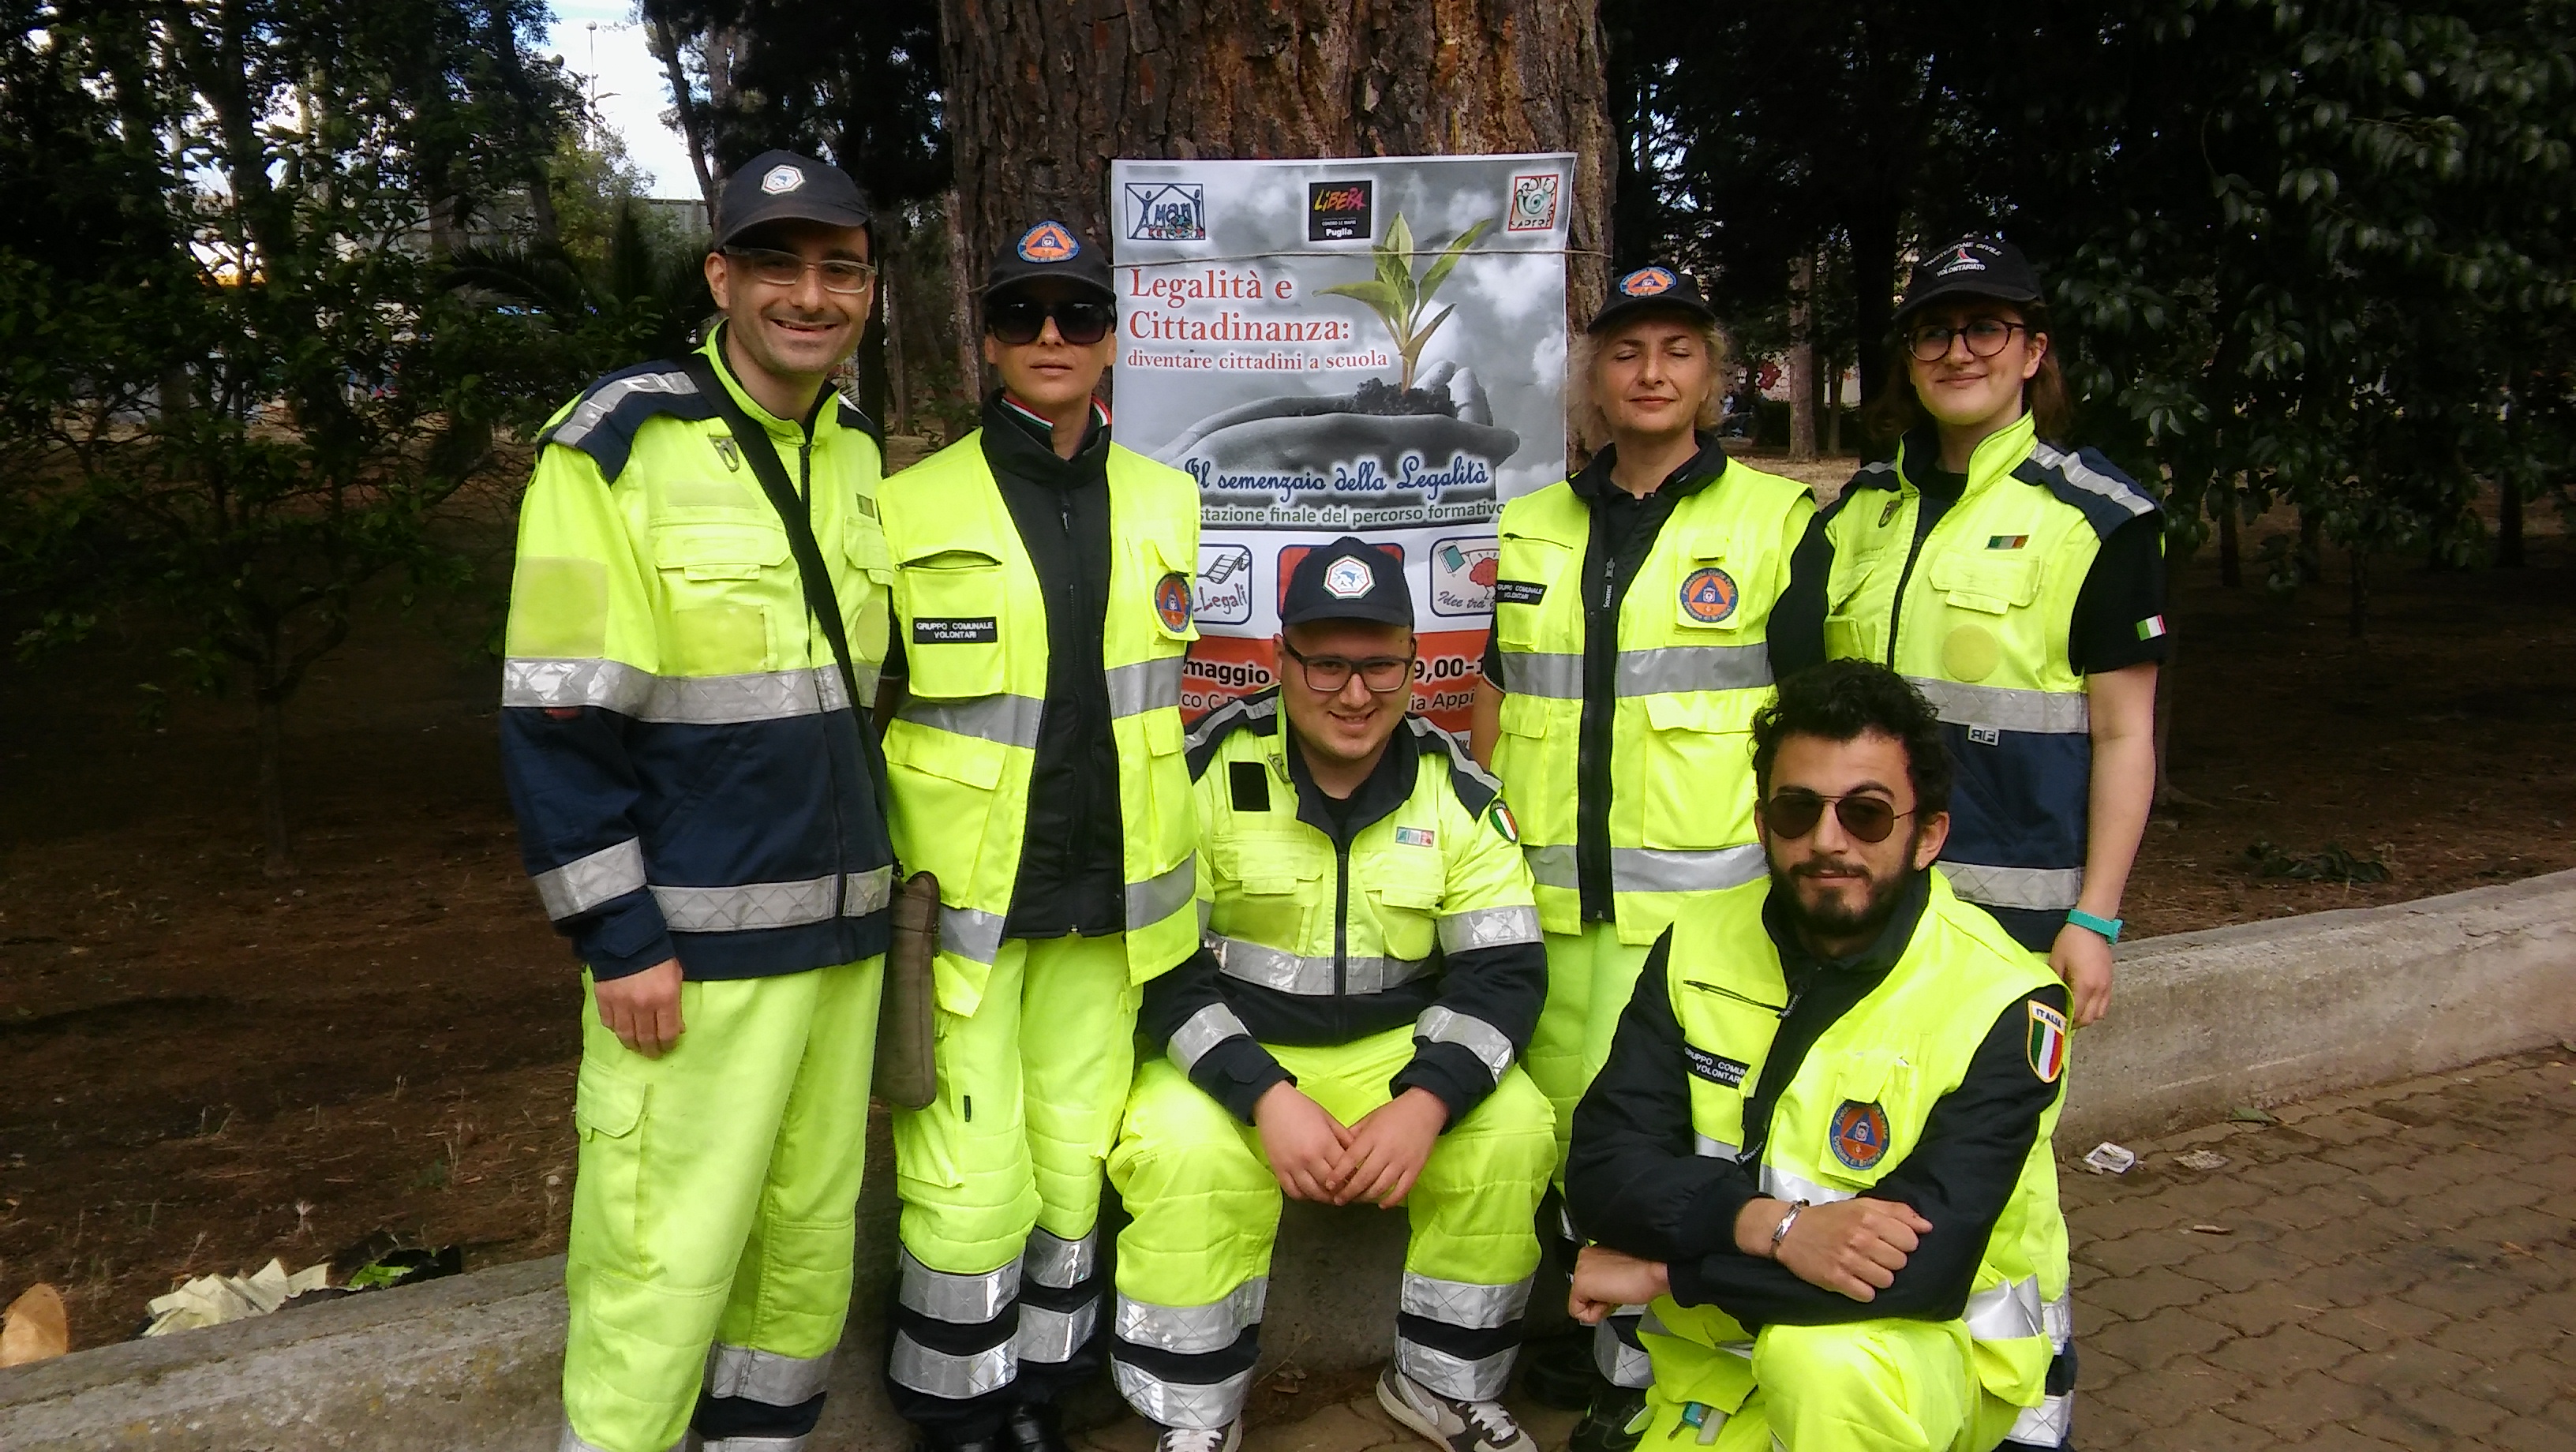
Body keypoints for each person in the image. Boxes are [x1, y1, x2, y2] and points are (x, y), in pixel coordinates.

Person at [500, 149, 894, 1452]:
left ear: (868, 291)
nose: (809, 296)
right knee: (660, 1261)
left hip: (838, 947)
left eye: (838, 270)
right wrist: (620, 938)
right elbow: (556, 714)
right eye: (775, 265)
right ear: (719, 276)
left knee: (797, 1254)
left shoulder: (849, 447)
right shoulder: (618, 442)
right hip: (693, 956)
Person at [1466, 264, 1824, 1448]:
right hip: (1549, 911)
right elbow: (1495, 698)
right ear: (1595, 382)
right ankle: (1583, 1339)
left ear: (1712, 378)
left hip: (1700, 925)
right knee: (1569, 1132)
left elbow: (1810, 730)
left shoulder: (1774, 527)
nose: (1651, 373)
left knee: (1674, 1145)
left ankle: (1651, 1368)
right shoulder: (1531, 527)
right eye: (1626, 354)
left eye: (1677, 351)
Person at [1109, 539, 1556, 1452]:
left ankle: (1440, 1384)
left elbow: (1504, 970)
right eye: (1327, 665)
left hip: (1398, 1058)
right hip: (1235, 1055)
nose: (1356, 694)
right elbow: (1158, 963)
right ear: (1282, 660)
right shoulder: (1203, 769)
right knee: (1177, 1148)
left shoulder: (1460, 791)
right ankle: (1195, 1416)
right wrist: (1265, 1098)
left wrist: (1428, 1101)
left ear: (1415, 663)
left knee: (1516, 1128)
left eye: (1380, 665)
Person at [1564, 660, 2076, 1451]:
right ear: (1765, 823)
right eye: (1798, 810)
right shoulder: (1696, 944)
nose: (1827, 840)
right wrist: (1769, 1225)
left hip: (1928, 1366)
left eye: (1867, 814)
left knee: (1825, 1362)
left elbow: (1922, 1269)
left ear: (1928, 833)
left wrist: (1671, 1275)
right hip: (1725, 1368)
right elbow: (1603, 1170)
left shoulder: (2007, 1000)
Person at [874, 220, 1203, 1452]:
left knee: (1074, 1170)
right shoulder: (908, 508)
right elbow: (869, 711)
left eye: (1077, 317)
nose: (1052, 339)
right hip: (967, 915)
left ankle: (1043, 1388)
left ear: (1114, 337)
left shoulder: (1172, 502)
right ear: (990, 339)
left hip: (1112, 915)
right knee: (970, 1180)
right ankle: (957, 1406)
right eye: (1024, 318)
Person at [1808, 234, 2166, 1027]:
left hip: (2013, 917)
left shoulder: (2100, 519)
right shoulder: (1859, 511)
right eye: (1934, 332)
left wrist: (2096, 918)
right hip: (1859, 899)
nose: (1958, 352)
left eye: (1985, 329)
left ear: (2034, 351)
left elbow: (2123, 734)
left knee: (1991, 1142)